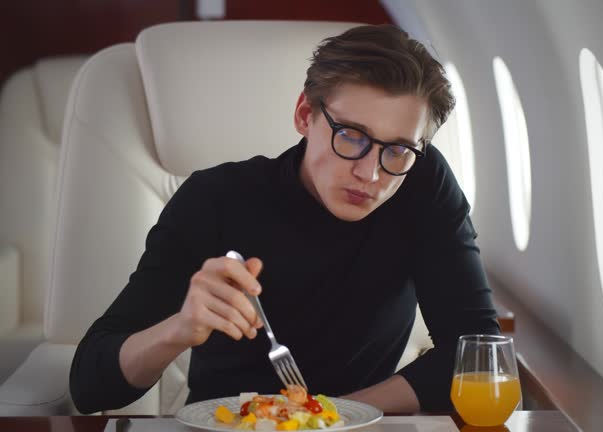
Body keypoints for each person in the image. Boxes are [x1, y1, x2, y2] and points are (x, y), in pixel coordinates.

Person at [69, 24, 499, 414]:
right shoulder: (214, 198)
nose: (371, 174)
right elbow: (90, 387)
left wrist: (324, 416)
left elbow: (477, 355)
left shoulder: (423, 184)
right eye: (351, 135)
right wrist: (179, 328)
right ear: (303, 116)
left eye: (398, 150)